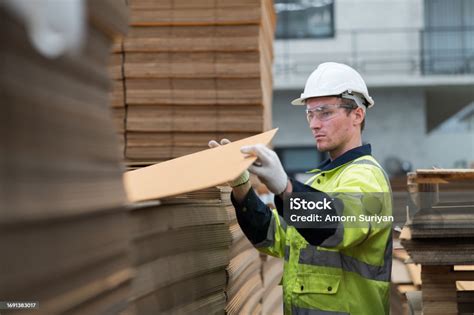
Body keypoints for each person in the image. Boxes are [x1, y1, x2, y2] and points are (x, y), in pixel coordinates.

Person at [209, 62, 392, 315]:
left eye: (325, 113)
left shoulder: (367, 177)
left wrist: (285, 187)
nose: (314, 124)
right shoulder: (322, 180)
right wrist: (241, 186)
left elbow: (336, 226)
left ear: (357, 115)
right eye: (310, 114)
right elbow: (273, 237)